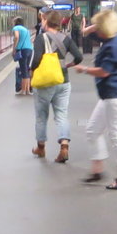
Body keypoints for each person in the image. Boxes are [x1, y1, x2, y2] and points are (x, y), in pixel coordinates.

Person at [72, 9, 117, 190]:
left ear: (104, 28)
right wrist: (92, 26)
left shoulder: (113, 46)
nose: (95, 28)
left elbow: (105, 71)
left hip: (116, 95)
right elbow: (87, 33)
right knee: (92, 130)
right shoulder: (115, 39)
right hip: (110, 95)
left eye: (98, 25)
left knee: (116, 135)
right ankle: (97, 170)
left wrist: (84, 69)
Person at [29, 11, 83, 163]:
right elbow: (79, 57)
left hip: (45, 83)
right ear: (59, 23)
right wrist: (68, 65)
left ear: (46, 21)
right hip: (63, 81)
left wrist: (31, 71)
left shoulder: (41, 38)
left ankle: (41, 147)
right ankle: (64, 146)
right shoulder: (66, 38)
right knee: (61, 115)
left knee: (41, 116)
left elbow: (37, 59)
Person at [11, 15, 33, 95]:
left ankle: (24, 90)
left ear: (15, 22)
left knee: (24, 70)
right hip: (30, 50)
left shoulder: (16, 28)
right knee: (26, 69)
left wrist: (14, 49)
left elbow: (16, 37)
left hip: (22, 50)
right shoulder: (26, 29)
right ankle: (27, 90)